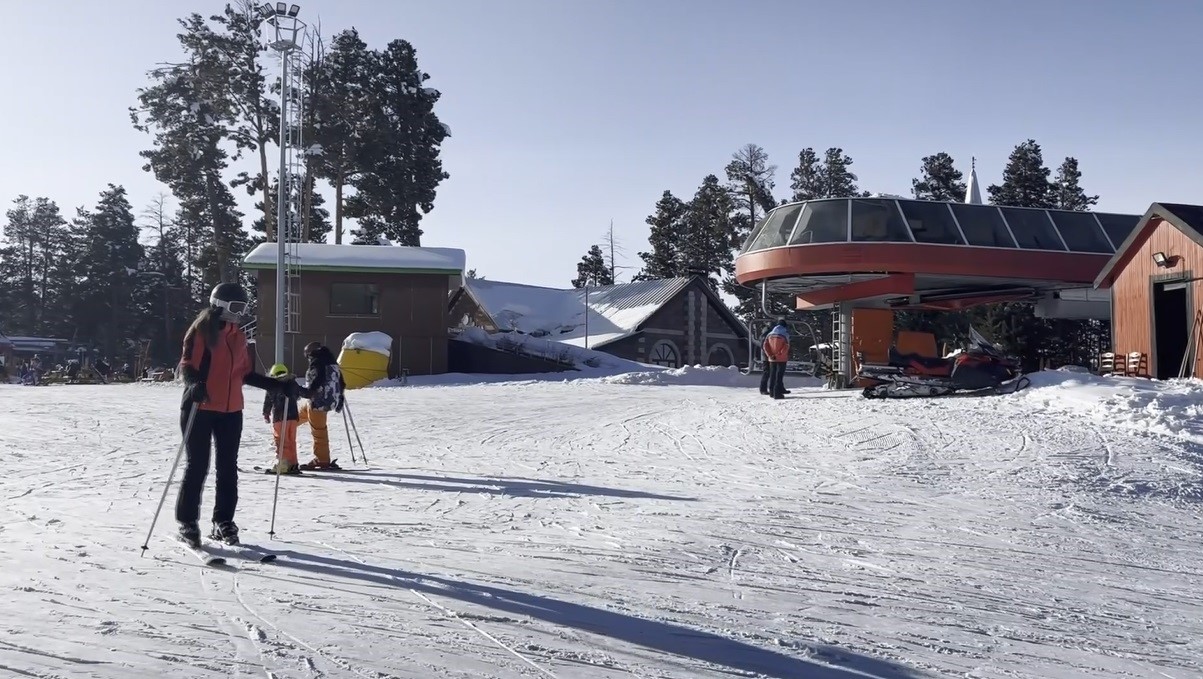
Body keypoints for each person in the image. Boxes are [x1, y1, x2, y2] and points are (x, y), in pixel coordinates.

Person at [176, 282, 296, 547]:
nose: (239, 313)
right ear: (219, 305)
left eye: (243, 307)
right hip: (200, 407)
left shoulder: (239, 336)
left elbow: (244, 374)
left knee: (227, 468)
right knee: (197, 466)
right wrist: (194, 384)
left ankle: (223, 521)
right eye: (235, 307)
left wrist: (278, 385)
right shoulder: (201, 331)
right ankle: (187, 522)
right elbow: (187, 365)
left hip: (231, 411)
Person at [297, 341, 346, 471]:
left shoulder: (317, 361)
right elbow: (342, 382)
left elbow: (317, 379)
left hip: (318, 402)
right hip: (328, 400)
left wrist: (308, 392)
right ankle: (285, 431)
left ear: (310, 353)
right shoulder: (332, 363)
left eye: (307, 355)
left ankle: (322, 459)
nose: (307, 358)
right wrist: (340, 398)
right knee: (296, 417)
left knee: (319, 431)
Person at [263, 363, 303, 475]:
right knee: (291, 441)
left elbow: (268, 401)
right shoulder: (292, 383)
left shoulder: (272, 385)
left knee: (281, 441)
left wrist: (266, 413)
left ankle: (283, 464)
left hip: (280, 417)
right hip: (293, 417)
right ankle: (293, 463)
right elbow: (299, 395)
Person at [762, 319, 790, 400]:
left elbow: (765, 346)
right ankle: (777, 393)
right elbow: (786, 346)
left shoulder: (769, 334)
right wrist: (779, 354)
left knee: (772, 375)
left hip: (771, 359)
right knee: (779, 376)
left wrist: (770, 355)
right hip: (781, 359)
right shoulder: (785, 334)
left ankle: (771, 392)